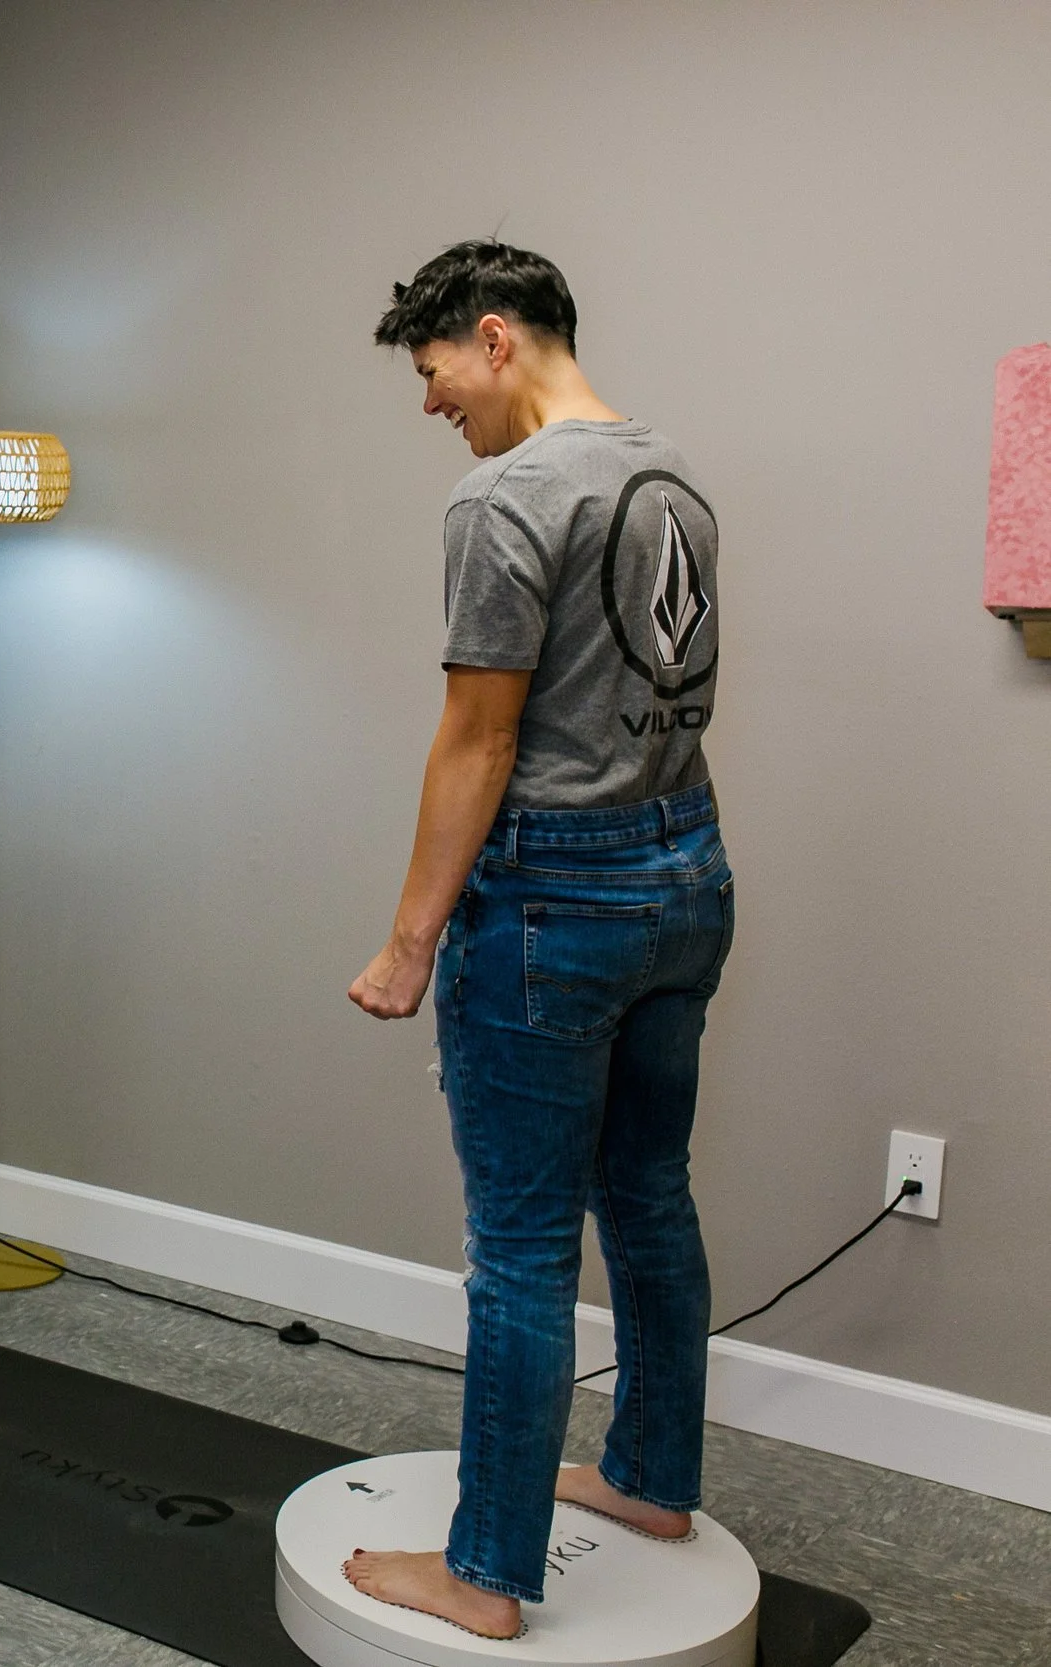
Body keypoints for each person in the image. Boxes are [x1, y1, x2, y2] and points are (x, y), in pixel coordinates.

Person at [343, 243, 732, 1640]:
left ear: (495, 338)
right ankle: (649, 1475)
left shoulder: (504, 494)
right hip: (687, 869)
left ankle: (486, 1571)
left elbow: (481, 732)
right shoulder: (667, 466)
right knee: (647, 1194)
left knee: (517, 1250)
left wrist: (407, 943)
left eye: (436, 371)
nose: (432, 403)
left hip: (555, 899)